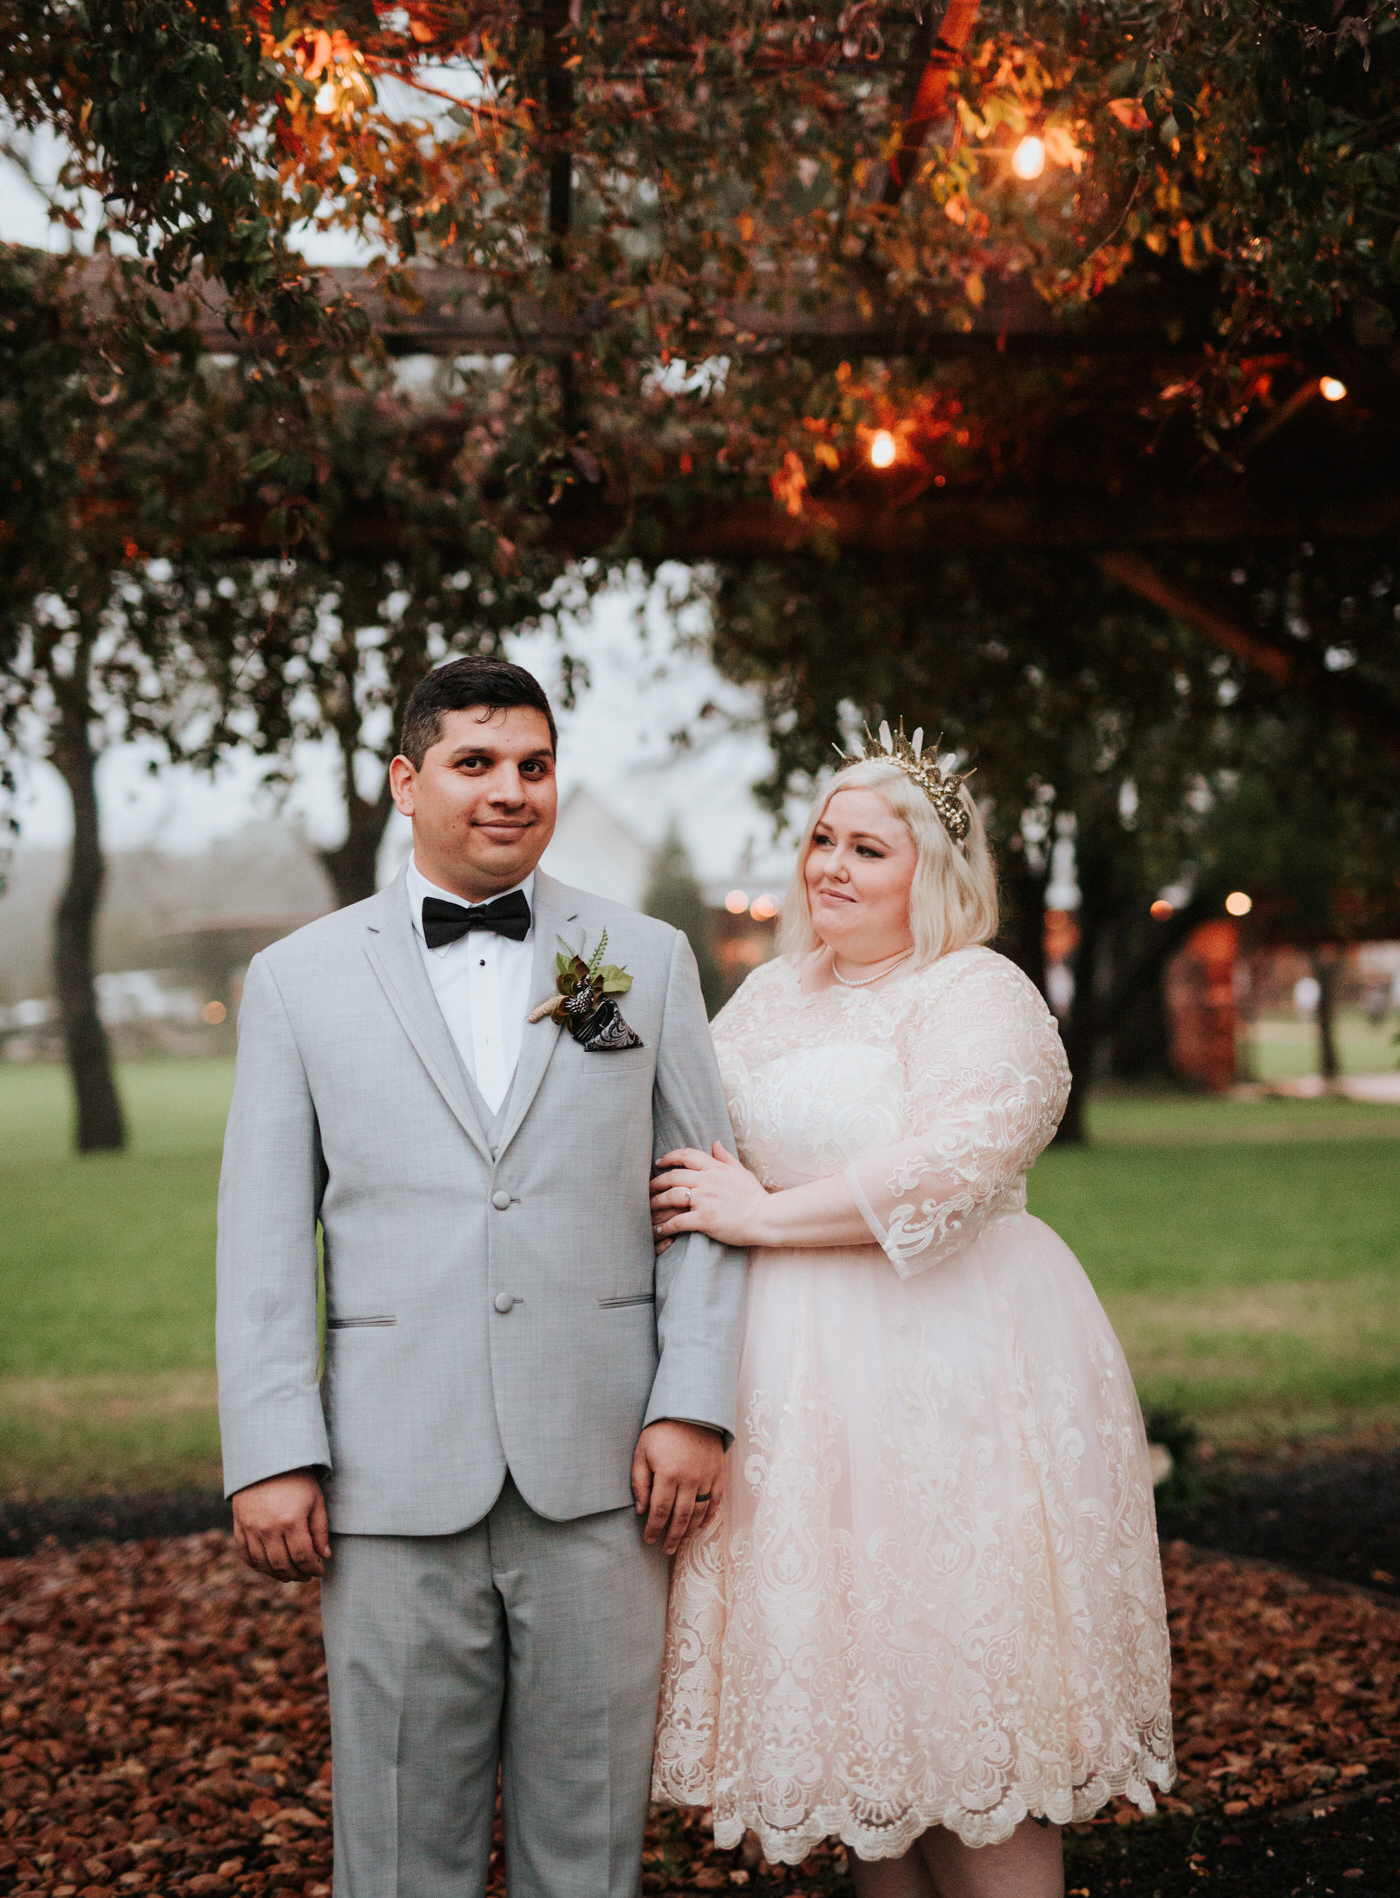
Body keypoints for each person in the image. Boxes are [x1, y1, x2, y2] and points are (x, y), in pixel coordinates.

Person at [216, 655, 747, 1898]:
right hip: (387, 1476)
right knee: (398, 1845)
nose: (510, 790)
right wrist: (271, 1445)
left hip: (606, 1471)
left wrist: (693, 1403)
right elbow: (261, 1232)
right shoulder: (297, 979)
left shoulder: (646, 958)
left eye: (534, 765)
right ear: (406, 781)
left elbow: (708, 1199)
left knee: (591, 1842)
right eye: (475, 763)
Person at [650, 725, 1175, 1898]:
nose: (827, 866)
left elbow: (961, 1161)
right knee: (864, 1744)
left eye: (866, 849)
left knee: (961, 1696)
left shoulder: (972, 990)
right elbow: (693, 1138)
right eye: (820, 840)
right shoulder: (769, 995)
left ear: (928, 875)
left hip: (947, 1375)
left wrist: (757, 1217)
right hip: (795, 1390)